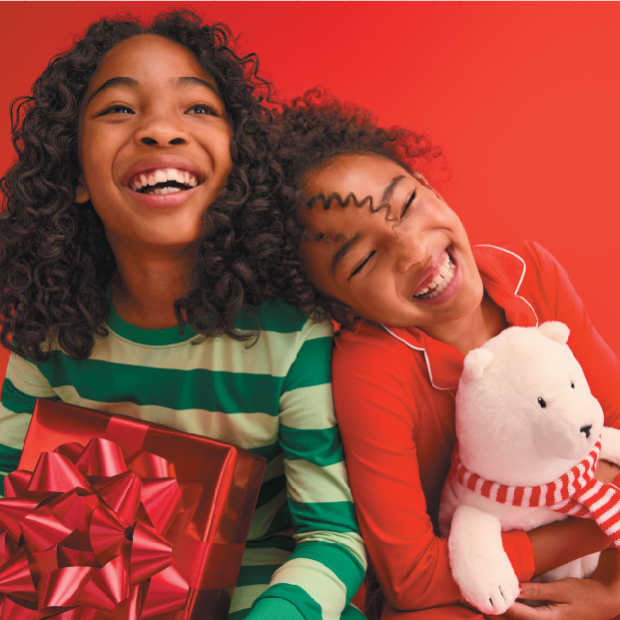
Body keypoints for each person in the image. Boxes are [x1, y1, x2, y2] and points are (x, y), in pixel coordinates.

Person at [0, 17, 366, 620]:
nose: (160, 129)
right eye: (118, 108)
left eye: (197, 107)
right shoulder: (48, 334)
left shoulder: (293, 339)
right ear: (75, 178)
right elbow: (11, 504)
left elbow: (333, 539)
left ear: (237, 163)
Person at [268, 90, 620, 620]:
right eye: (364, 260)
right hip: (467, 586)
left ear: (428, 185)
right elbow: (412, 579)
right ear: (338, 304)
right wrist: (593, 524)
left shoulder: (530, 272)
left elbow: (614, 421)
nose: (413, 251)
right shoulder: (369, 369)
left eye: (406, 205)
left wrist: (612, 594)